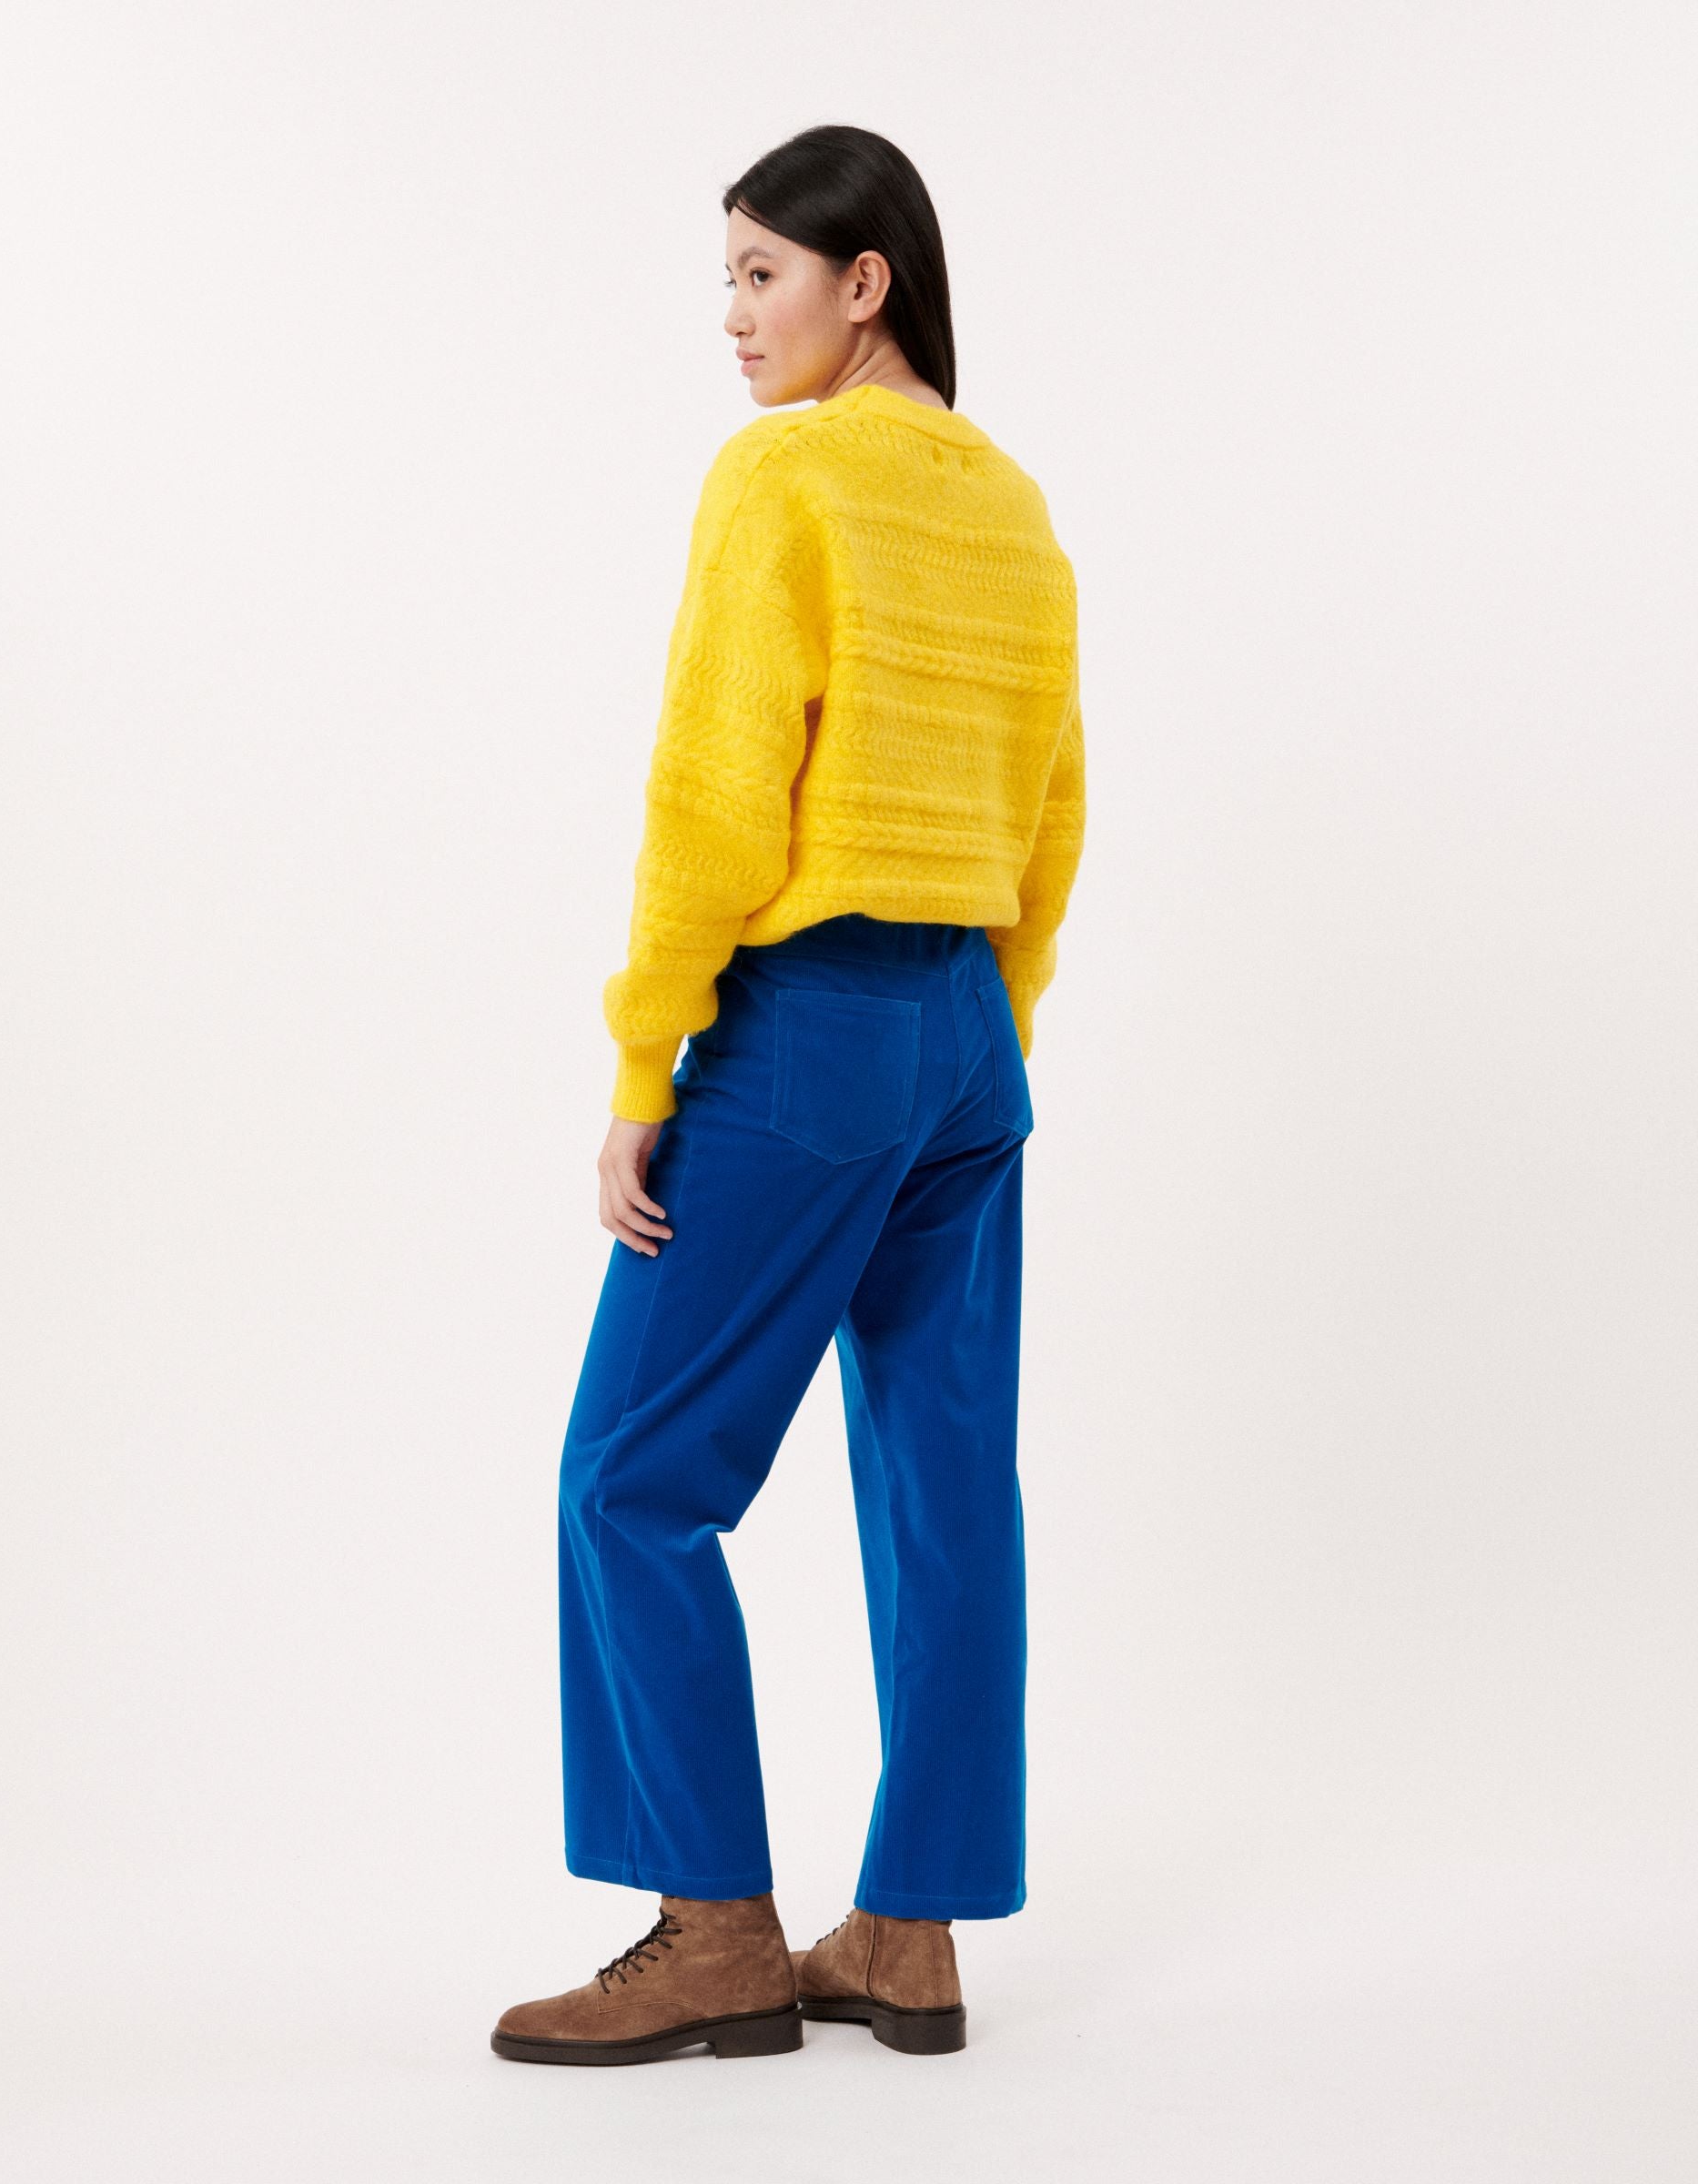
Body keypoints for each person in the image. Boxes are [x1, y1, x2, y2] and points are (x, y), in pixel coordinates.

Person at [492, 123, 1086, 2067]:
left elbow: (716, 790)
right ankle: (909, 1939)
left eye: (762, 275)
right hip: (967, 1045)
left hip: (811, 1027)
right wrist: (983, 1036)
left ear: (865, 281)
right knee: (946, 1486)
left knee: (632, 1477)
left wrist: (647, 1056)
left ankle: (715, 1931)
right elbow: (1053, 811)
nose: (736, 319)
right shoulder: (1012, 509)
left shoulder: (787, 478)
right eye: (729, 280)